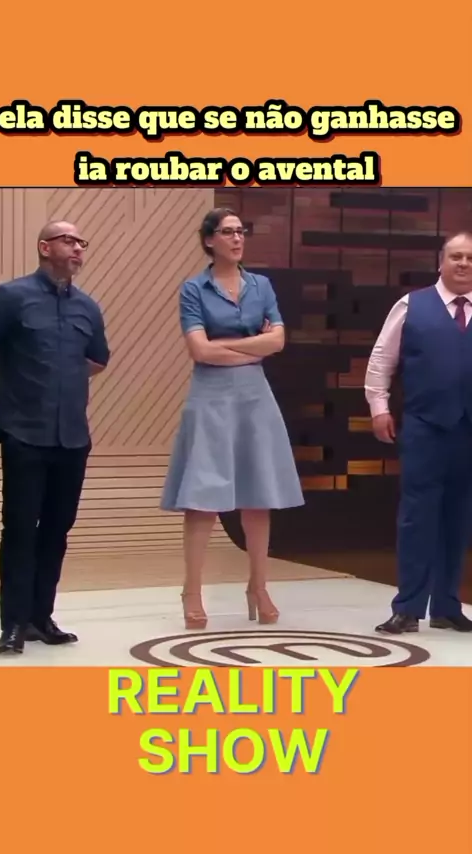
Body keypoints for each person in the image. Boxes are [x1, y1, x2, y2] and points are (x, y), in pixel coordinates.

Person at [161, 207, 304, 630]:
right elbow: (199, 351)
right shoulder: (193, 289)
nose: (237, 238)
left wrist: (231, 346)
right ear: (210, 240)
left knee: (258, 496)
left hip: (255, 396)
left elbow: (278, 341)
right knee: (203, 499)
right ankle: (191, 591)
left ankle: (258, 587)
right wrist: (252, 345)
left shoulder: (262, 286)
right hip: (210, 396)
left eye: (241, 231)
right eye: (227, 232)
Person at [0, 220, 110, 655]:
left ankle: (41, 618)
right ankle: (13, 624)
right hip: (25, 433)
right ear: (45, 247)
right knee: (21, 531)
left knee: (57, 531)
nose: (78, 247)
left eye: (82, 242)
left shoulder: (87, 307)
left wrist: (62, 378)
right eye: (69, 240)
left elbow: (98, 359)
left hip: (72, 438)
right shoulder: (10, 297)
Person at [365, 230, 472, 634]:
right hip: (425, 428)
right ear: (441, 262)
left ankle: (446, 606)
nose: (464, 264)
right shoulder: (412, 305)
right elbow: (381, 360)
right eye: (456, 256)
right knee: (417, 518)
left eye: (470, 258)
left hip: (468, 432)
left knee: (458, 519)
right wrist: (379, 407)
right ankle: (408, 608)